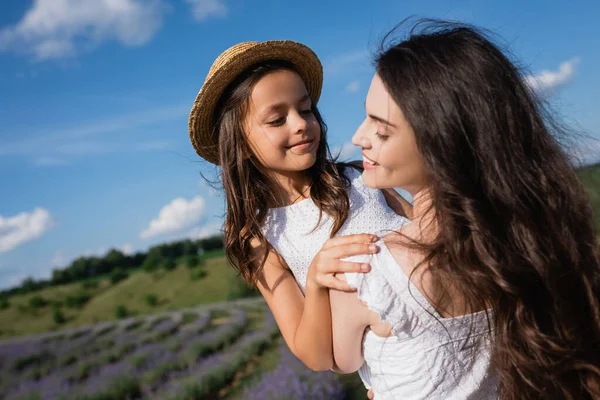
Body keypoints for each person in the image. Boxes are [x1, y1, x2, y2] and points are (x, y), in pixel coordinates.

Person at [330, 20, 600, 399]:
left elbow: (341, 359)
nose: (359, 137)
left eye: (382, 129)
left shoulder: (366, 272)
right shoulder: (542, 246)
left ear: (442, 144)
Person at [187, 40, 411, 373]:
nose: (300, 123)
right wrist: (317, 283)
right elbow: (317, 357)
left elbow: (433, 234)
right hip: (405, 377)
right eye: (277, 120)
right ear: (242, 145)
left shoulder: (361, 177)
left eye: (305, 109)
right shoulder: (261, 239)